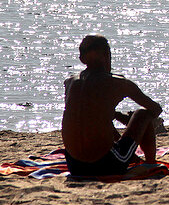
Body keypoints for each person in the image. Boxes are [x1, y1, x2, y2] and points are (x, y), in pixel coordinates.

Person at [61, 34, 162, 176]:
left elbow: (85, 117)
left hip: (74, 165)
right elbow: (155, 109)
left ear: (82, 59)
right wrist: (127, 119)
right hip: (106, 165)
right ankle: (150, 163)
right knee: (142, 114)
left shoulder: (70, 82)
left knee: (97, 119)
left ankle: (129, 156)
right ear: (106, 55)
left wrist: (115, 115)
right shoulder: (118, 82)